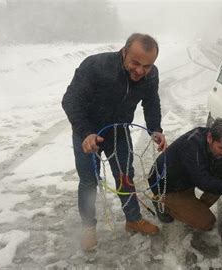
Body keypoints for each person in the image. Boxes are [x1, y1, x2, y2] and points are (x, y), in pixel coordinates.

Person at [62, 33, 167, 252]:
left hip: (118, 132)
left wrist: (155, 128)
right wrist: (86, 132)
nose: (140, 71)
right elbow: (70, 100)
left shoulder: (151, 75)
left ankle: (133, 219)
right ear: (124, 51)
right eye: (135, 63)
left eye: (146, 66)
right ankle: (88, 227)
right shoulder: (96, 66)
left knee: (124, 176)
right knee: (89, 182)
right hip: (87, 133)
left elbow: (151, 101)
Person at [148, 118, 222, 231]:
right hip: (167, 186)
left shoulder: (221, 145)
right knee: (207, 222)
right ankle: (162, 203)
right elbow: (203, 182)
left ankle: (191, 208)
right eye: (221, 148)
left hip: (186, 179)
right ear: (209, 138)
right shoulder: (191, 145)